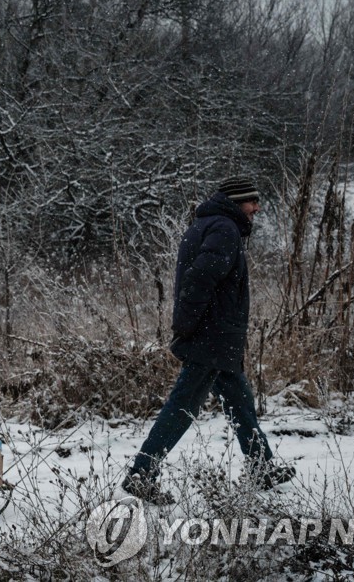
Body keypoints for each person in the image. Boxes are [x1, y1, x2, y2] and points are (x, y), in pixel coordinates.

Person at [120, 177, 294, 505]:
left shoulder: (209, 224)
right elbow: (199, 278)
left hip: (215, 336)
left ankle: (262, 467)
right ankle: (141, 474)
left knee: (240, 403)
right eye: (251, 202)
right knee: (182, 407)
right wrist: (187, 326)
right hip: (211, 338)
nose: (256, 208)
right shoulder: (224, 229)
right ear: (236, 201)